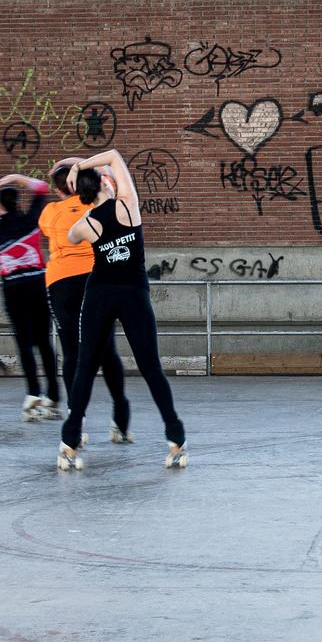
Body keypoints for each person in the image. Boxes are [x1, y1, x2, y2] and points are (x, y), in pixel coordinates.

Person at [58, 148, 185, 472]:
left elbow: (71, 238)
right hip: (133, 295)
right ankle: (176, 441)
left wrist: (81, 197)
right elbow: (114, 155)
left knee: (86, 366)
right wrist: (82, 166)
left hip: (100, 294)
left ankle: (69, 445)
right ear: (105, 182)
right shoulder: (128, 206)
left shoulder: (86, 224)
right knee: (150, 368)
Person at [38, 158, 129, 440]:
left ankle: (77, 420)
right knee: (107, 351)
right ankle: (120, 420)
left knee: (72, 352)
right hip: (96, 279)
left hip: (61, 283)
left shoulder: (50, 212)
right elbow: (111, 177)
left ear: (58, 188)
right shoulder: (97, 204)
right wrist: (81, 163)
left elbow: (47, 228)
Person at [0, 175, 61, 420]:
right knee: (44, 342)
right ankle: (54, 393)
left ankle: (33, 391)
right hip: (37, 283)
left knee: (24, 342)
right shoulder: (31, 221)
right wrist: (15, 178)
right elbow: (43, 188)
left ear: (0, 206)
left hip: (13, 288)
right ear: (18, 203)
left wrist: (0, 215)